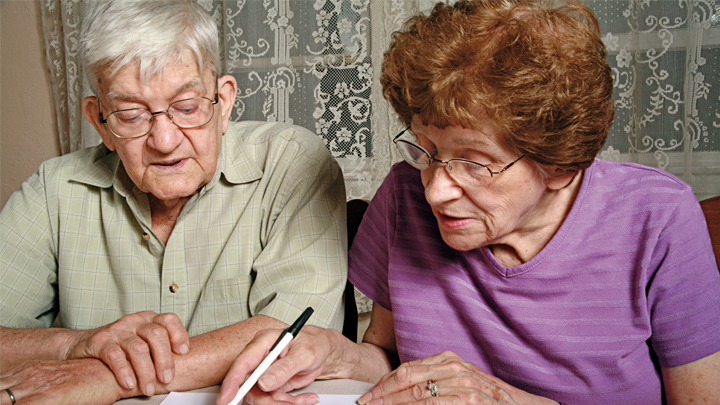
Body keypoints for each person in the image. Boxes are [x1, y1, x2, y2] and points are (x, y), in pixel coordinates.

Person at [216, 0, 720, 404]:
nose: (435, 190)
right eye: (427, 151)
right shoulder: (403, 195)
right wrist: (337, 355)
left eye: (475, 162)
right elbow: (386, 354)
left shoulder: (657, 219)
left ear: (560, 164)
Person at [0, 1, 347, 404]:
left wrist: (104, 376)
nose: (164, 142)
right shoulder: (53, 188)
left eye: (187, 108)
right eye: (131, 115)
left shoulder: (292, 162)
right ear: (100, 123)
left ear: (224, 101)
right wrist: (71, 348)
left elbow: (295, 332)